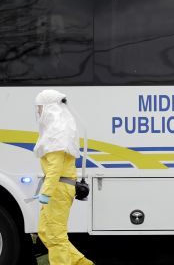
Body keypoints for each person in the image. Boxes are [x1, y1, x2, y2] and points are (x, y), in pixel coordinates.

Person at [33, 90, 93, 265]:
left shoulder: (56, 134)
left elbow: (55, 168)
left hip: (58, 190)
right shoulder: (56, 131)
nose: (38, 111)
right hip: (58, 188)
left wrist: (46, 192)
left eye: (40, 108)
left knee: (55, 236)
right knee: (45, 231)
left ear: (50, 109)